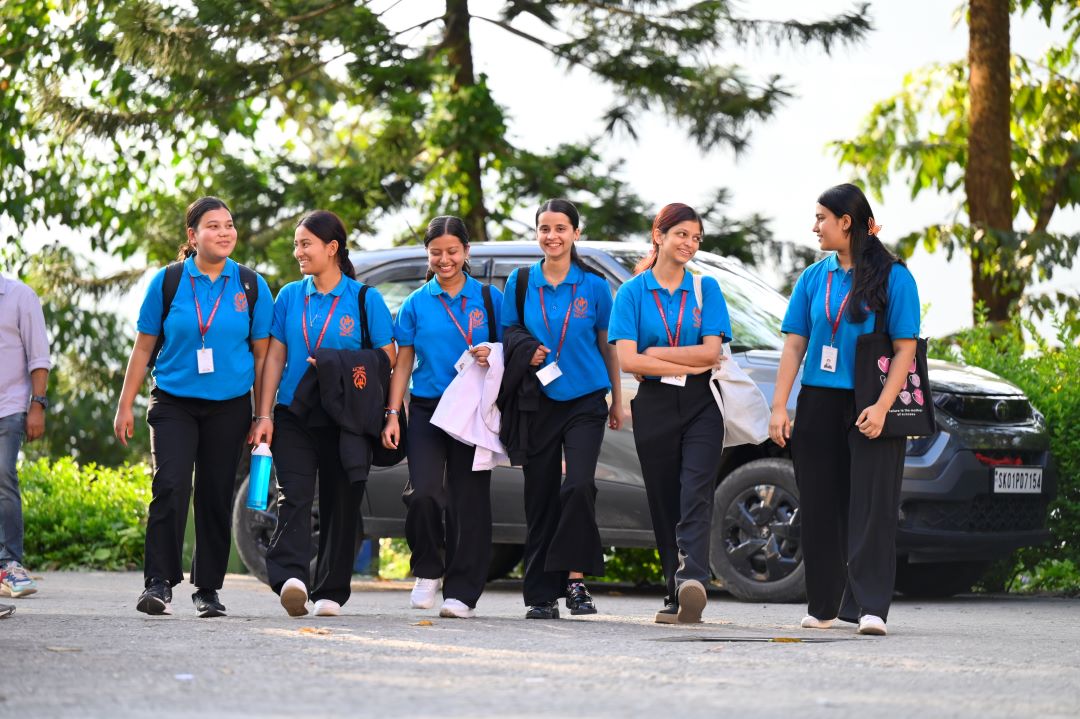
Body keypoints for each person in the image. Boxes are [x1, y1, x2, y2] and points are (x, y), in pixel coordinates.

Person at [769, 183, 920, 637]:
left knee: (872, 507)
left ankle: (871, 607)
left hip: (871, 401)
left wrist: (883, 407)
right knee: (819, 505)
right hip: (818, 400)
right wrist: (779, 406)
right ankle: (824, 605)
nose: (815, 227)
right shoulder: (813, 278)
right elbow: (794, 345)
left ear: (846, 222)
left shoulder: (895, 278)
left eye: (821, 218)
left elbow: (905, 349)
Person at [114, 196, 273, 617]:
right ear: (193, 235)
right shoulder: (167, 281)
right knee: (170, 486)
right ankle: (158, 582)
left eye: (229, 224)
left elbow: (263, 358)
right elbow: (143, 347)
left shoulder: (251, 285)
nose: (224, 232)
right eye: (213, 226)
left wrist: (263, 415)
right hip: (173, 401)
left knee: (215, 494)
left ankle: (208, 589)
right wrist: (125, 405)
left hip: (230, 406)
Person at [252, 210, 396, 618]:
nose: (298, 252)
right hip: (294, 412)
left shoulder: (365, 299)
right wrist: (264, 415)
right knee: (294, 494)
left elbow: (387, 355)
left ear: (332, 248)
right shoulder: (289, 296)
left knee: (342, 501)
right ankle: (291, 578)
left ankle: (331, 591)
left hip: (347, 417)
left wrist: (336, 363)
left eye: (305, 244)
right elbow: (275, 356)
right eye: (296, 244)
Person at [500, 199, 623, 620]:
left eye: (560, 228)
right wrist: (526, 348)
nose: (552, 236)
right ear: (537, 233)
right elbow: (508, 333)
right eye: (544, 229)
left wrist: (617, 398)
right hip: (536, 401)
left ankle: (575, 581)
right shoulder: (520, 282)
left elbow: (608, 346)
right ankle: (541, 594)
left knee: (579, 486)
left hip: (586, 398)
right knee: (540, 494)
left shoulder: (595, 286)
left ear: (575, 233)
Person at [609, 202, 731, 624]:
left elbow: (712, 353)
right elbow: (628, 360)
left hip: (702, 403)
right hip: (655, 405)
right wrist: (685, 360)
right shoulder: (631, 293)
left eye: (696, 238)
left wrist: (656, 353)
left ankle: (692, 578)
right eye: (682, 234)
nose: (690, 244)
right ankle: (674, 591)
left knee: (695, 491)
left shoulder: (705, 288)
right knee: (664, 500)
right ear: (659, 236)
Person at [382, 216, 503, 619]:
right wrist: (392, 412)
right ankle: (428, 569)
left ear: (466, 251)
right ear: (427, 254)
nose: (445, 259)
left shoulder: (489, 299)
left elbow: (511, 346)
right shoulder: (416, 303)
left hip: (473, 409)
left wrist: (494, 352)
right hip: (428, 409)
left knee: (470, 501)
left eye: (452, 251)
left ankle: (462, 593)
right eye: (436, 253)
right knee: (424, 493)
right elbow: (403, 363)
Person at [0, 274, 51, 600]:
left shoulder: (20, 296)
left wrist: (38, 404)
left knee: (3, 474)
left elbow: (39, 355)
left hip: (10, 406)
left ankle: (10, 563)